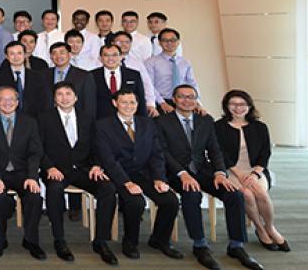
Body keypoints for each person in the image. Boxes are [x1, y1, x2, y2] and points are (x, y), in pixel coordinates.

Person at [156, 86, 264, 270]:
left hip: (203, 170)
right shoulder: (161, 121)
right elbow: (162, 152)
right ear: (174, 99)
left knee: (234, 194)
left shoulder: (205, 120)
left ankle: (236, 246)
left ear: (196, 99)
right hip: (175, 172)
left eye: (191, 97)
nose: (187, 100)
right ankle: (200, 245)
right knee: (192, 195)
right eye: (182, 97)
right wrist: (183, 174)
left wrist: (220, 173)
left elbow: (215, 149)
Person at [94, 89, 181, 261]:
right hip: (118, 175)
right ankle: (130, 242)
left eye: (132, 102)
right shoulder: (103, 125)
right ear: (115, 103)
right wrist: (127, 183)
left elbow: (157, 154)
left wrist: (159, 178)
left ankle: (160, 240)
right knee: (136, 202)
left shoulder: (148, 124)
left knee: (170, 200)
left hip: (144, 174)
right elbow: (108, 159)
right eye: (124, 102)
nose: (129, 106)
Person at [38, 82, 118, 265]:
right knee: (54, 190)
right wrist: (49, 167)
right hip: (57, 170)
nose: (64, 97)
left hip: (84, 169)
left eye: (68, 93)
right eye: (59, 94)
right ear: (54, 98)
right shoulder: (44, 118)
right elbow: (38, 147)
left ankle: (101, 241)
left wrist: (97, 165)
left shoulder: (87, 118)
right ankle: (59, 240)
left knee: (108, 189)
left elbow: (98, 145)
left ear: (76, 97)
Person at [215, 90, 289, 253]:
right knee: (246, 194)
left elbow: (265, 153)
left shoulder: (260, 127)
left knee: (261, 192)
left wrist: (255, 173)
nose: (238, 108)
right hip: (230, 170)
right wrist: (239, 174)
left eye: (242, 104)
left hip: (255, 169)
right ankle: (259, 229)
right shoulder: (218, 126)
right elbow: (220, 153)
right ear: (227, 106)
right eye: (233, 104)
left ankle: (270, 228)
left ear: (249, 106)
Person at [0, 86, 45, 260]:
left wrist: (32, 176)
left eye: (11, 99)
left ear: (17, 102)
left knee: (34, 197)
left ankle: (31, 240)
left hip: (22, 172)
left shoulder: (30, 122)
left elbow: (35, 152)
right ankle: (0, 240)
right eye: (3, 99)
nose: (7, 103)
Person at [145, 28, 203, 114]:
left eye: (172, 40)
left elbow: (192, 83)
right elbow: (149, 86)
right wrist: (162, 103)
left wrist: (197, 102)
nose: (169, 43)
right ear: (159, 42)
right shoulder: (150, 62)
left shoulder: (185, 62)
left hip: (184, 102)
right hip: (162, 102)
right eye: (165, 40)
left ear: (178, 42)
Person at [0, 41, 48, 118]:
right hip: (8, 118)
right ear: (6, 56)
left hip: (34, 119)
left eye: (19, 53)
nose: (16, 57)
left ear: (25, 55)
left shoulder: (37, 76)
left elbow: (45, 101)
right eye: (12, 54)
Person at [91, 44, 147, 119]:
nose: (110, 58)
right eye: (106, 55)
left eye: (114, 55)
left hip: (128, 119)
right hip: (101, 120)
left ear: (121, 57)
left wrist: (143, 121)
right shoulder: (91, 76)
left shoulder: (134, 75)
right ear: (100, 58)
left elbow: (141, 100)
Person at [112, 31, 160, 117]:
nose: (123, 44)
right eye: (120, 42)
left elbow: (147, 84)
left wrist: (151, 104)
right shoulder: (105, 62)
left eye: (127, 42)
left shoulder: (137, 63)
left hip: (132, 107)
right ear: (112, 43)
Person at [44, 42, 97, 115]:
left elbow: (89, 104)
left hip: (76, 118)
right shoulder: (42, 75)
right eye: (54, 53)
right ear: (51, 57)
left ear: (69, 55)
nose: (58, 56)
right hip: (48, 117)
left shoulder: (84, 76)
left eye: (62, 53)